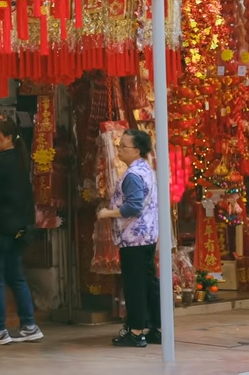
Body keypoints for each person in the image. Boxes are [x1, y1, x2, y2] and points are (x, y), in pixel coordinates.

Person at [0, 118, 43, 345]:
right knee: (16, 276)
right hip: (20, 231)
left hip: (0, 231)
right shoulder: (20, 161)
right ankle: (29, 324)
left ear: (8, 137)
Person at [97, 129, 162, 347]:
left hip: (133, 237)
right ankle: (154, 327)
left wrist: (108, 213)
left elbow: (133, 206)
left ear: (137, 150)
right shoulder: (147, 170)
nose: (119, 150)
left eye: (123, 146)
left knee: (135, 285)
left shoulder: (133, 175)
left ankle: (135, 332)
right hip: (148, 236)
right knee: (148, 282)